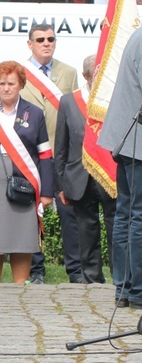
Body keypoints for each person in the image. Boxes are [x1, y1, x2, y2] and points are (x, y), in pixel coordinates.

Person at [0, 61, 54, 284]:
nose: (6, 88)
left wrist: (46, 192)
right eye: (2, 83)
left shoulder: (34, 113)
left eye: (11, 83)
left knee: (21, 239)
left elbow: (44, 155)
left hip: (23, 184)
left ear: (21, 85)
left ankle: (19, 289)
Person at [20, 23, 80, 284]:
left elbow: (75, 115)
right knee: (32, 215)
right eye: (41, 39)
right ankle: (36, 270)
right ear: (30, 43)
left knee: (70, 215)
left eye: (51, 39)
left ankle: (76, 271)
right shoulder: (19, 72)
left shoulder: (69, 72)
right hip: (32, 157)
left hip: (62, 157)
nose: (47, 43)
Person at [55, 54, 115, 284]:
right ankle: (92, 278)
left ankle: (120, 276)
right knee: (86, 229)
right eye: (94, 77)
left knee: (114, 227)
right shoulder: (70, 101)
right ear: (85, 76)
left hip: (109, 174)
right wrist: (61, 184)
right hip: (79, 176)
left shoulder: (113, 100)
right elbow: (60, 145)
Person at [98, 28, 142, 308]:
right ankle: (136, 289)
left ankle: (124, 289)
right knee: (136, 215)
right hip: (136, 141)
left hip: (127, 139)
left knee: (126, 214)